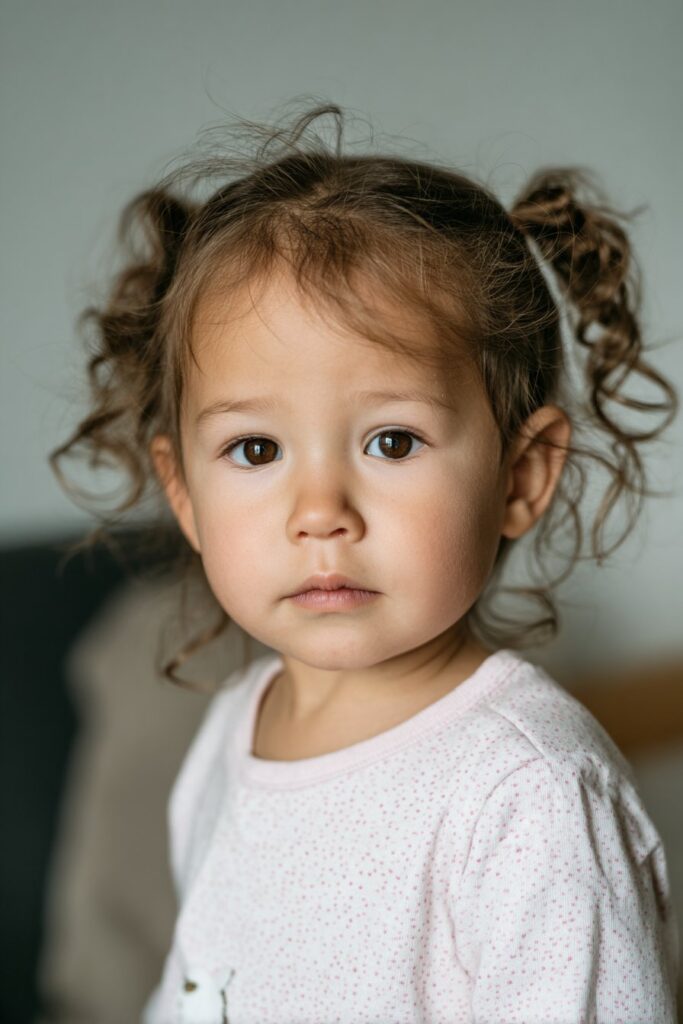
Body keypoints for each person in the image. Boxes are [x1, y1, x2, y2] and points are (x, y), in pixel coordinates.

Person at [50, 101, 680, 1023]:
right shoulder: (232, 729)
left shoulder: (528, 791)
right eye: (256, 451)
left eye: (391, 441)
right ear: (182, 493)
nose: (319, 514)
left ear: (520, 474)